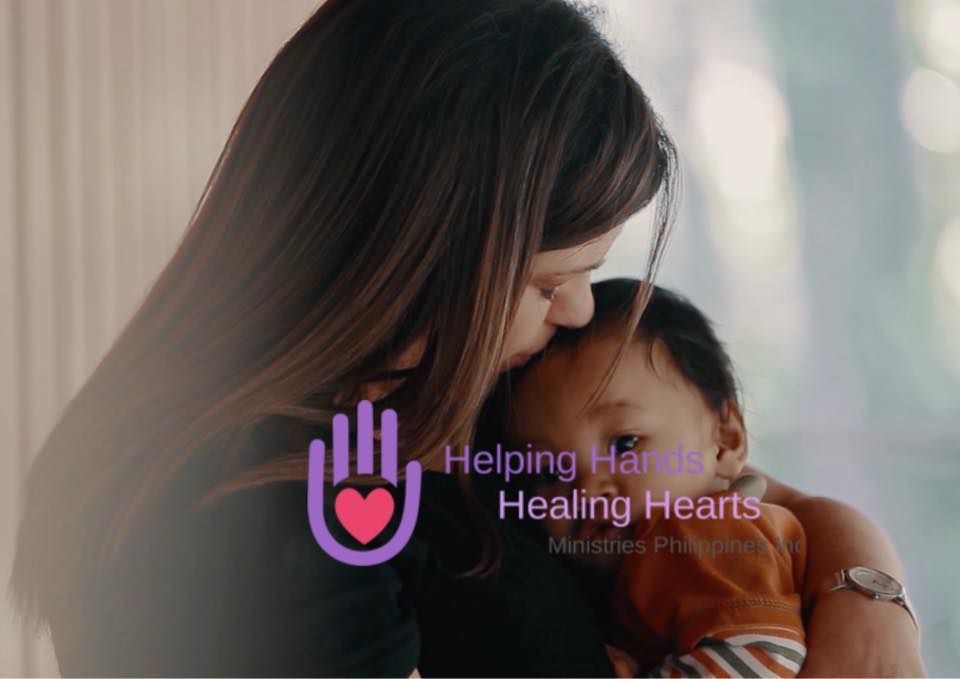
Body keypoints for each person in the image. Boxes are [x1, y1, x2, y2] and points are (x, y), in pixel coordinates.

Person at [9, 1, 922, 676]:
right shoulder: (265, 519)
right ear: (411, 245)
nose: (574, 314)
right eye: (545, 282)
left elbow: (734, 484)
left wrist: (870, 596)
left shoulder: (446, 391)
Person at [505, 279, 808, 676]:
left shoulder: (701, 533)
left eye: (625, 443)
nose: (587, 489)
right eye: (547, 472)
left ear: (725, 441)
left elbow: (764, 653)